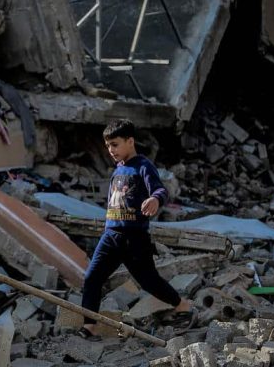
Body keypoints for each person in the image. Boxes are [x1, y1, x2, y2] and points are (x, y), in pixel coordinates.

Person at [82, 118, 193, 333]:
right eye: (108, 146)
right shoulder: (117, 171)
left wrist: (154, 200)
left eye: (115, 145)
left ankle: (183, 306)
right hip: (111, 235)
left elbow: (161, 190)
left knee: (149, 281)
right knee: (91, 278)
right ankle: (89, 326)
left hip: (135, 238)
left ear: (130, 141)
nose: (111, 150)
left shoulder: (143, 166)